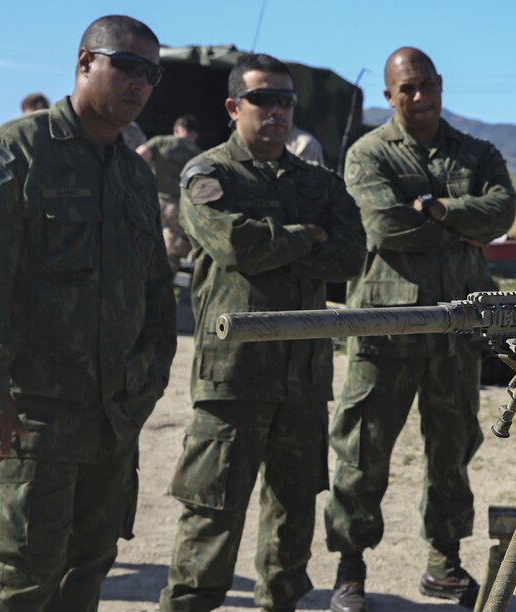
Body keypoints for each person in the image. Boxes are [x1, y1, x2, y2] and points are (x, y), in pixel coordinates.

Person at [0, 15, 175, 610]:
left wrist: (146, 380)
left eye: (151, 73)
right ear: (84, 63)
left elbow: (156, 292)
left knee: (87, 572)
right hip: (32, 418)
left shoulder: (133, 175)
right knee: (19, 579)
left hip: (111, 419)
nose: (139, 83)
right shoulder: (11, 154)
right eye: (125, 65)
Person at [159, 53, 366, 612]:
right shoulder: (209, 174)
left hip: (302, 379)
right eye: (262, 99)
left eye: (285, 100)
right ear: (233, 107)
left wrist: (278, 247)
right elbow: (232, 245)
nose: (276, 110)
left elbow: (350, 257)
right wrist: (306, 236)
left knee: (291, 524)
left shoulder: (318, 180)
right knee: (210, 521)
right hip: (232, 379)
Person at [325, 46, 516, 612]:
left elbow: (501, 213)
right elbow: (383, 227)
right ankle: (350, 566)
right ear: (390, 96)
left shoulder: (478, 152)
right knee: (363, 450)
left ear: (440, 83)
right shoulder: (368, 153)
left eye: (426, 83)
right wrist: (462, 222)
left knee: (452, 449)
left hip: (457, 328)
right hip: (386, 328)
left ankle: (444, 562)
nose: (419, 95)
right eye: (406, 88)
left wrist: (435, 210)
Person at [136, 114, 202, 271]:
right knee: (172, 253)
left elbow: (136, 159)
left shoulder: (160, 142)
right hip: (179, 207)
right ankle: (164, 289)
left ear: (177, 130)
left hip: (154, 204)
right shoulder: (199, 154)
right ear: (194, 134)